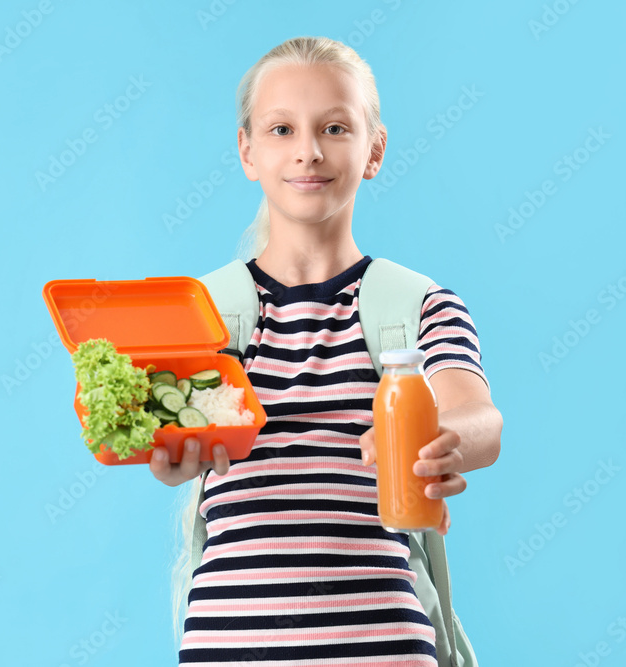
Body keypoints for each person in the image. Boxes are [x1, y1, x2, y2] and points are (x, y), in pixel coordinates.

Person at [148, 36, 503, 665]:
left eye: (335, 127)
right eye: (281, 129)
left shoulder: (418, 306)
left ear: (374, 149)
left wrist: (442, 436)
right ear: (247, 151)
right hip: (230, 646)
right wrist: (167, 451)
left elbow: (478, 416)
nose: (308, 151)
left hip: (383, 649)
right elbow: (166, 442)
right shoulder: (197, 311)